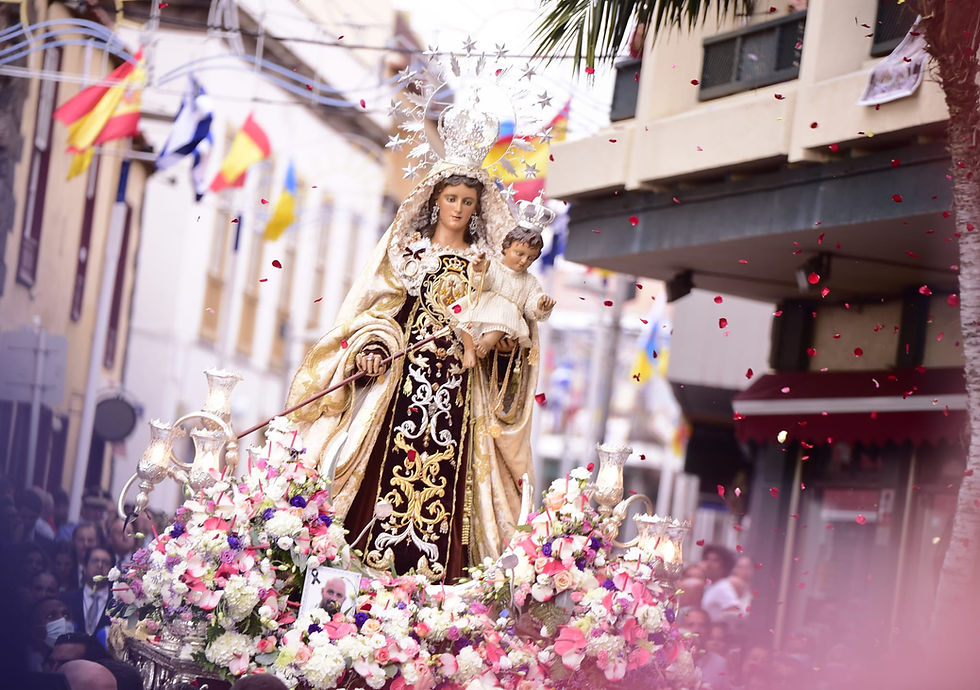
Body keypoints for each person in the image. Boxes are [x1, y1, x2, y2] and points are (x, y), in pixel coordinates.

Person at [287, 103, 538, 581]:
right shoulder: (408, 250)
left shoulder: (492, 263)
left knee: (453, 474)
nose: (460, 209)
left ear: (478, 206)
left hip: (463, 387)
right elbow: (377, 310)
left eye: (468, 201)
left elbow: (512, 319)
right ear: (435, 200)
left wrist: (503, 344)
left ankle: (441, 580)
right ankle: (357, 562)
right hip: (402, 382)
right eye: (452, 199)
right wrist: (375, 348)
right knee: (379, 462)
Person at [452, 217, 556, 369]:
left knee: (506, 315)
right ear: (506, 247)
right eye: (519, 253)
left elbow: (531, 304)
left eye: (530, 258)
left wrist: (541, 304)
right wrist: (480, 270)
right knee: (467, 318)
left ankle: (486, 343)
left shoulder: (530, 281)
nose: (523, 261)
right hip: (483, 308)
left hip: (504, 324)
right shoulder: (494, 266)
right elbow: (482, 284)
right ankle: (469, 349)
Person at [61, 546, 114, 636]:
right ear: (84, 567)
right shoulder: (67, 599)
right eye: (95, 561)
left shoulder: (119, 604)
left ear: (112, 571)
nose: (100, 565)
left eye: (105, 562)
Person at [703, 551, 753, 625]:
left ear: (723, 566)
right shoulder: (711, 586)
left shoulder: (722, 587)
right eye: (707, 559)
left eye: (715, 561)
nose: (709, 564)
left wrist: (717, 628)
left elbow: (735, 613)